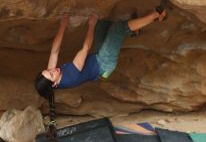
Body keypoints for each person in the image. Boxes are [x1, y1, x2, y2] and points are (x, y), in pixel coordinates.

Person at [35, 8, 166, 99]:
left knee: (103, 24)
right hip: (104, 63)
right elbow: (85, 48)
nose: (53, 69)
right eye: (52, 74)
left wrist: (63, 24)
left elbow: (54, 51)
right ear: (55, 84)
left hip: (95, 56)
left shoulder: (52, 76)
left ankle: (134, 30)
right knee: (117, 29)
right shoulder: (71, 77)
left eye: (48, 70)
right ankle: (156, 15)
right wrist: (91, 24)